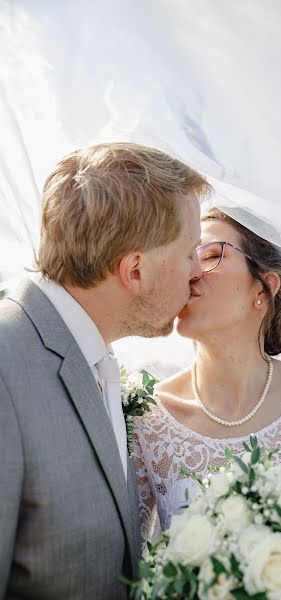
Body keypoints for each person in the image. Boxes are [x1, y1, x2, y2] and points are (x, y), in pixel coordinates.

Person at [0, 142, 211, 599]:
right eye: (190, 252)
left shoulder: (93, 358)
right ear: (134, 270)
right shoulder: (5, 368)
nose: (198, 271)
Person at [133, 207, 281, 545]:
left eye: (210, 254)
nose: (191, 272)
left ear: (263, 289)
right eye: (185, 256)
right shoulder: (148, 423)